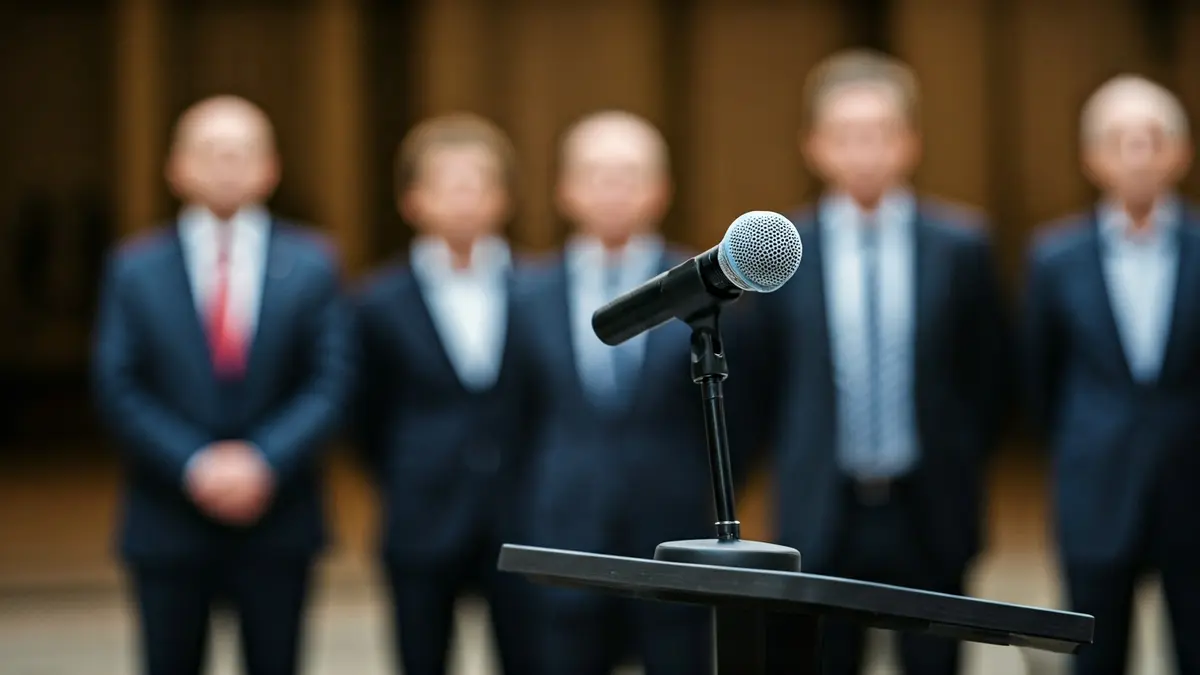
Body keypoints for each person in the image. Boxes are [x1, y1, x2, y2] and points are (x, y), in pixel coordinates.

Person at [745, 50, 1009, 675]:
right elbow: (762, 381)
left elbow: (991, 375)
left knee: (932, 662)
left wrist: (960, 450)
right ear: (814, 145)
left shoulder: (960, 247)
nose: (864, 152)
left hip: (929, 503)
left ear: (910, 142)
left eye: (880, 134)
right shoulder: (781, 252)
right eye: (845, 136)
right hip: (820, 506)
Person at [91, 95, 353, 675]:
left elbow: (331, 381)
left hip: (279, 513)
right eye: (210, 151)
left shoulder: (313, 262)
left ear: (271, 167)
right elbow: (118, 383)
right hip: (168, 515)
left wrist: (263, 461)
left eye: (242, 151)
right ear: (176, 167)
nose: (226, 164)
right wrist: (194, 464)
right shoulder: (134, 267)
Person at [510, 110, 724, 675]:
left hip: (674, 536)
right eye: (596, 173)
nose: (612, 190)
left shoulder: (706, 292)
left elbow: (738, 416)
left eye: (629, 174)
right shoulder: (526, 292)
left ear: (662, 189)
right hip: (563, 537)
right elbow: (511, 419)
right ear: (565, 188)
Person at [1023, 75, 1200, 675]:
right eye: (1120, 139)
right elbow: (1038, 380)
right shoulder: (1054, 258)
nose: (1138, 154)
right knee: (1096, 658)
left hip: (1193, 493)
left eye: (1154, 138)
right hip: (1095, 494)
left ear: (1182, 152)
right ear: (1091, 156)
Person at [354, 114, 535, 675]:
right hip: (419, 517)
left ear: (503, 196)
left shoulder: (538, 287)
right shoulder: (376, 302)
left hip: (522, 516)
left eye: (477, 182)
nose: (463, 198)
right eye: (445, 184)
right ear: (412, 200)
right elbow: (362, 412)